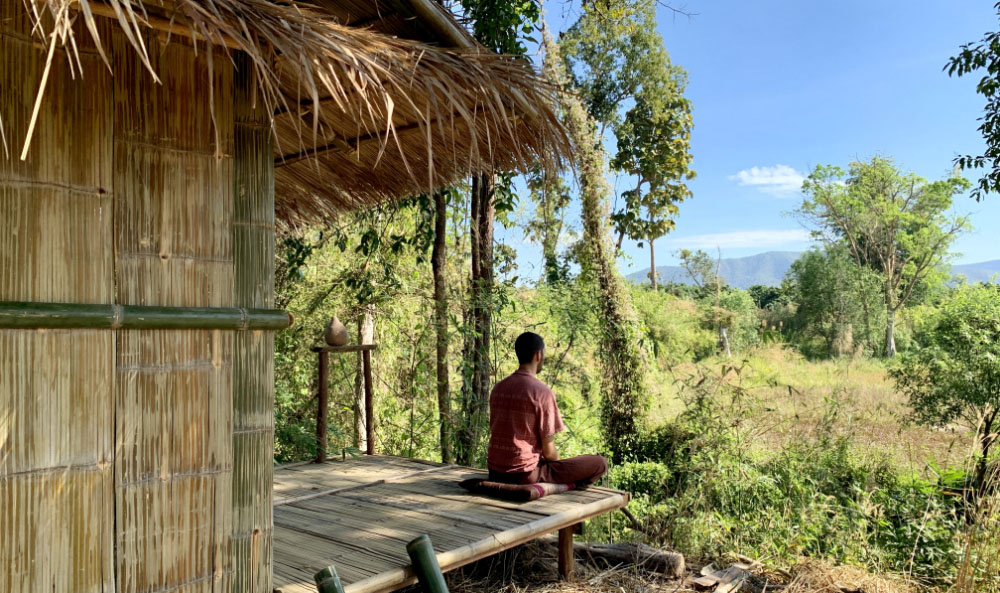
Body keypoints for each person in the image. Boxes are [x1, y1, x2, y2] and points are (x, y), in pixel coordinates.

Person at [486, 331, 607, 488]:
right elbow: (549, 453)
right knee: (599, 463)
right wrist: (562, 468)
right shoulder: (542, 393)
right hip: (525, 475)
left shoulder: (498, 388)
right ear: (538, 355)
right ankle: (565, 486)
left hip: (494, 472)